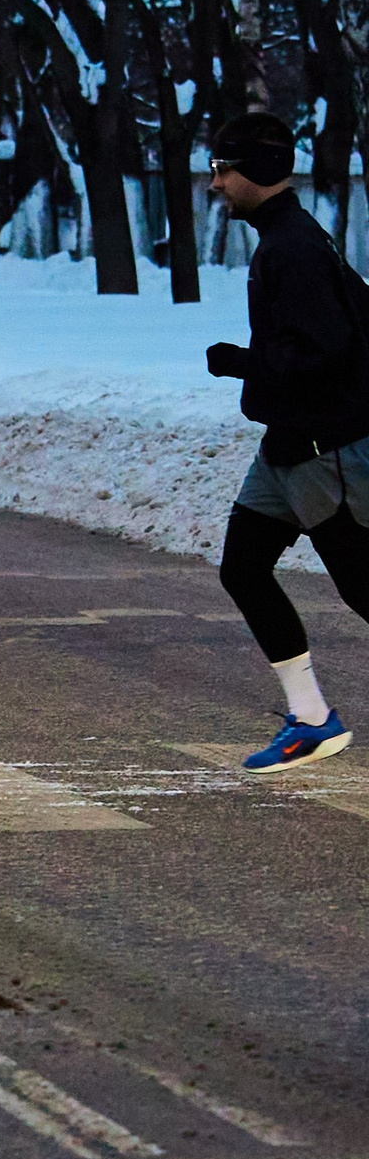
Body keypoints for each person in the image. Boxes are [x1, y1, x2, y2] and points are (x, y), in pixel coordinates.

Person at [206, 111, 369, 770]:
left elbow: (325, 348)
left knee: (364, 588)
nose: (216, 184)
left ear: (258, 172)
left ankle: (310, 719)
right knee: (242, 567)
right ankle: (310, 718)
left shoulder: (293, 247)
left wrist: (245, 363)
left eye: (224, 170)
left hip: (320, 452)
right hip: (286, 448)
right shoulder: (288, 238)